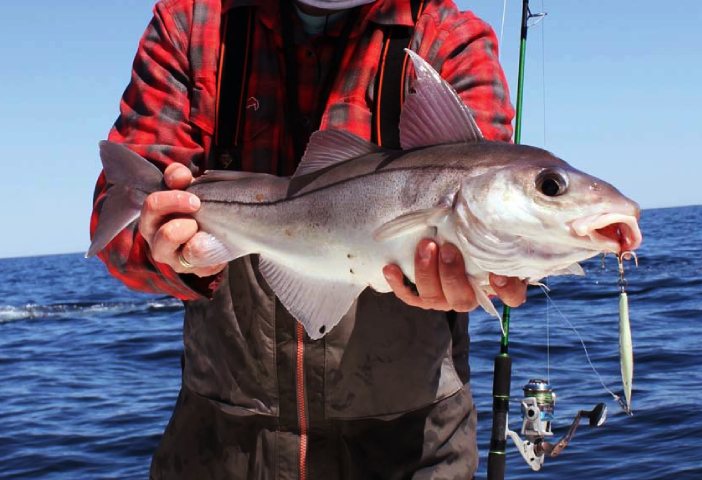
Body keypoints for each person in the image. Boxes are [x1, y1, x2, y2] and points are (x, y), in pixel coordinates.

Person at [91, 0, 527, 478]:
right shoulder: (191, 24)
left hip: (411, 453)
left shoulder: (448, 36)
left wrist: (494, 266)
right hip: (221, 449)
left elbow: (492, 191)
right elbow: (121, 238)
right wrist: (168, 252)